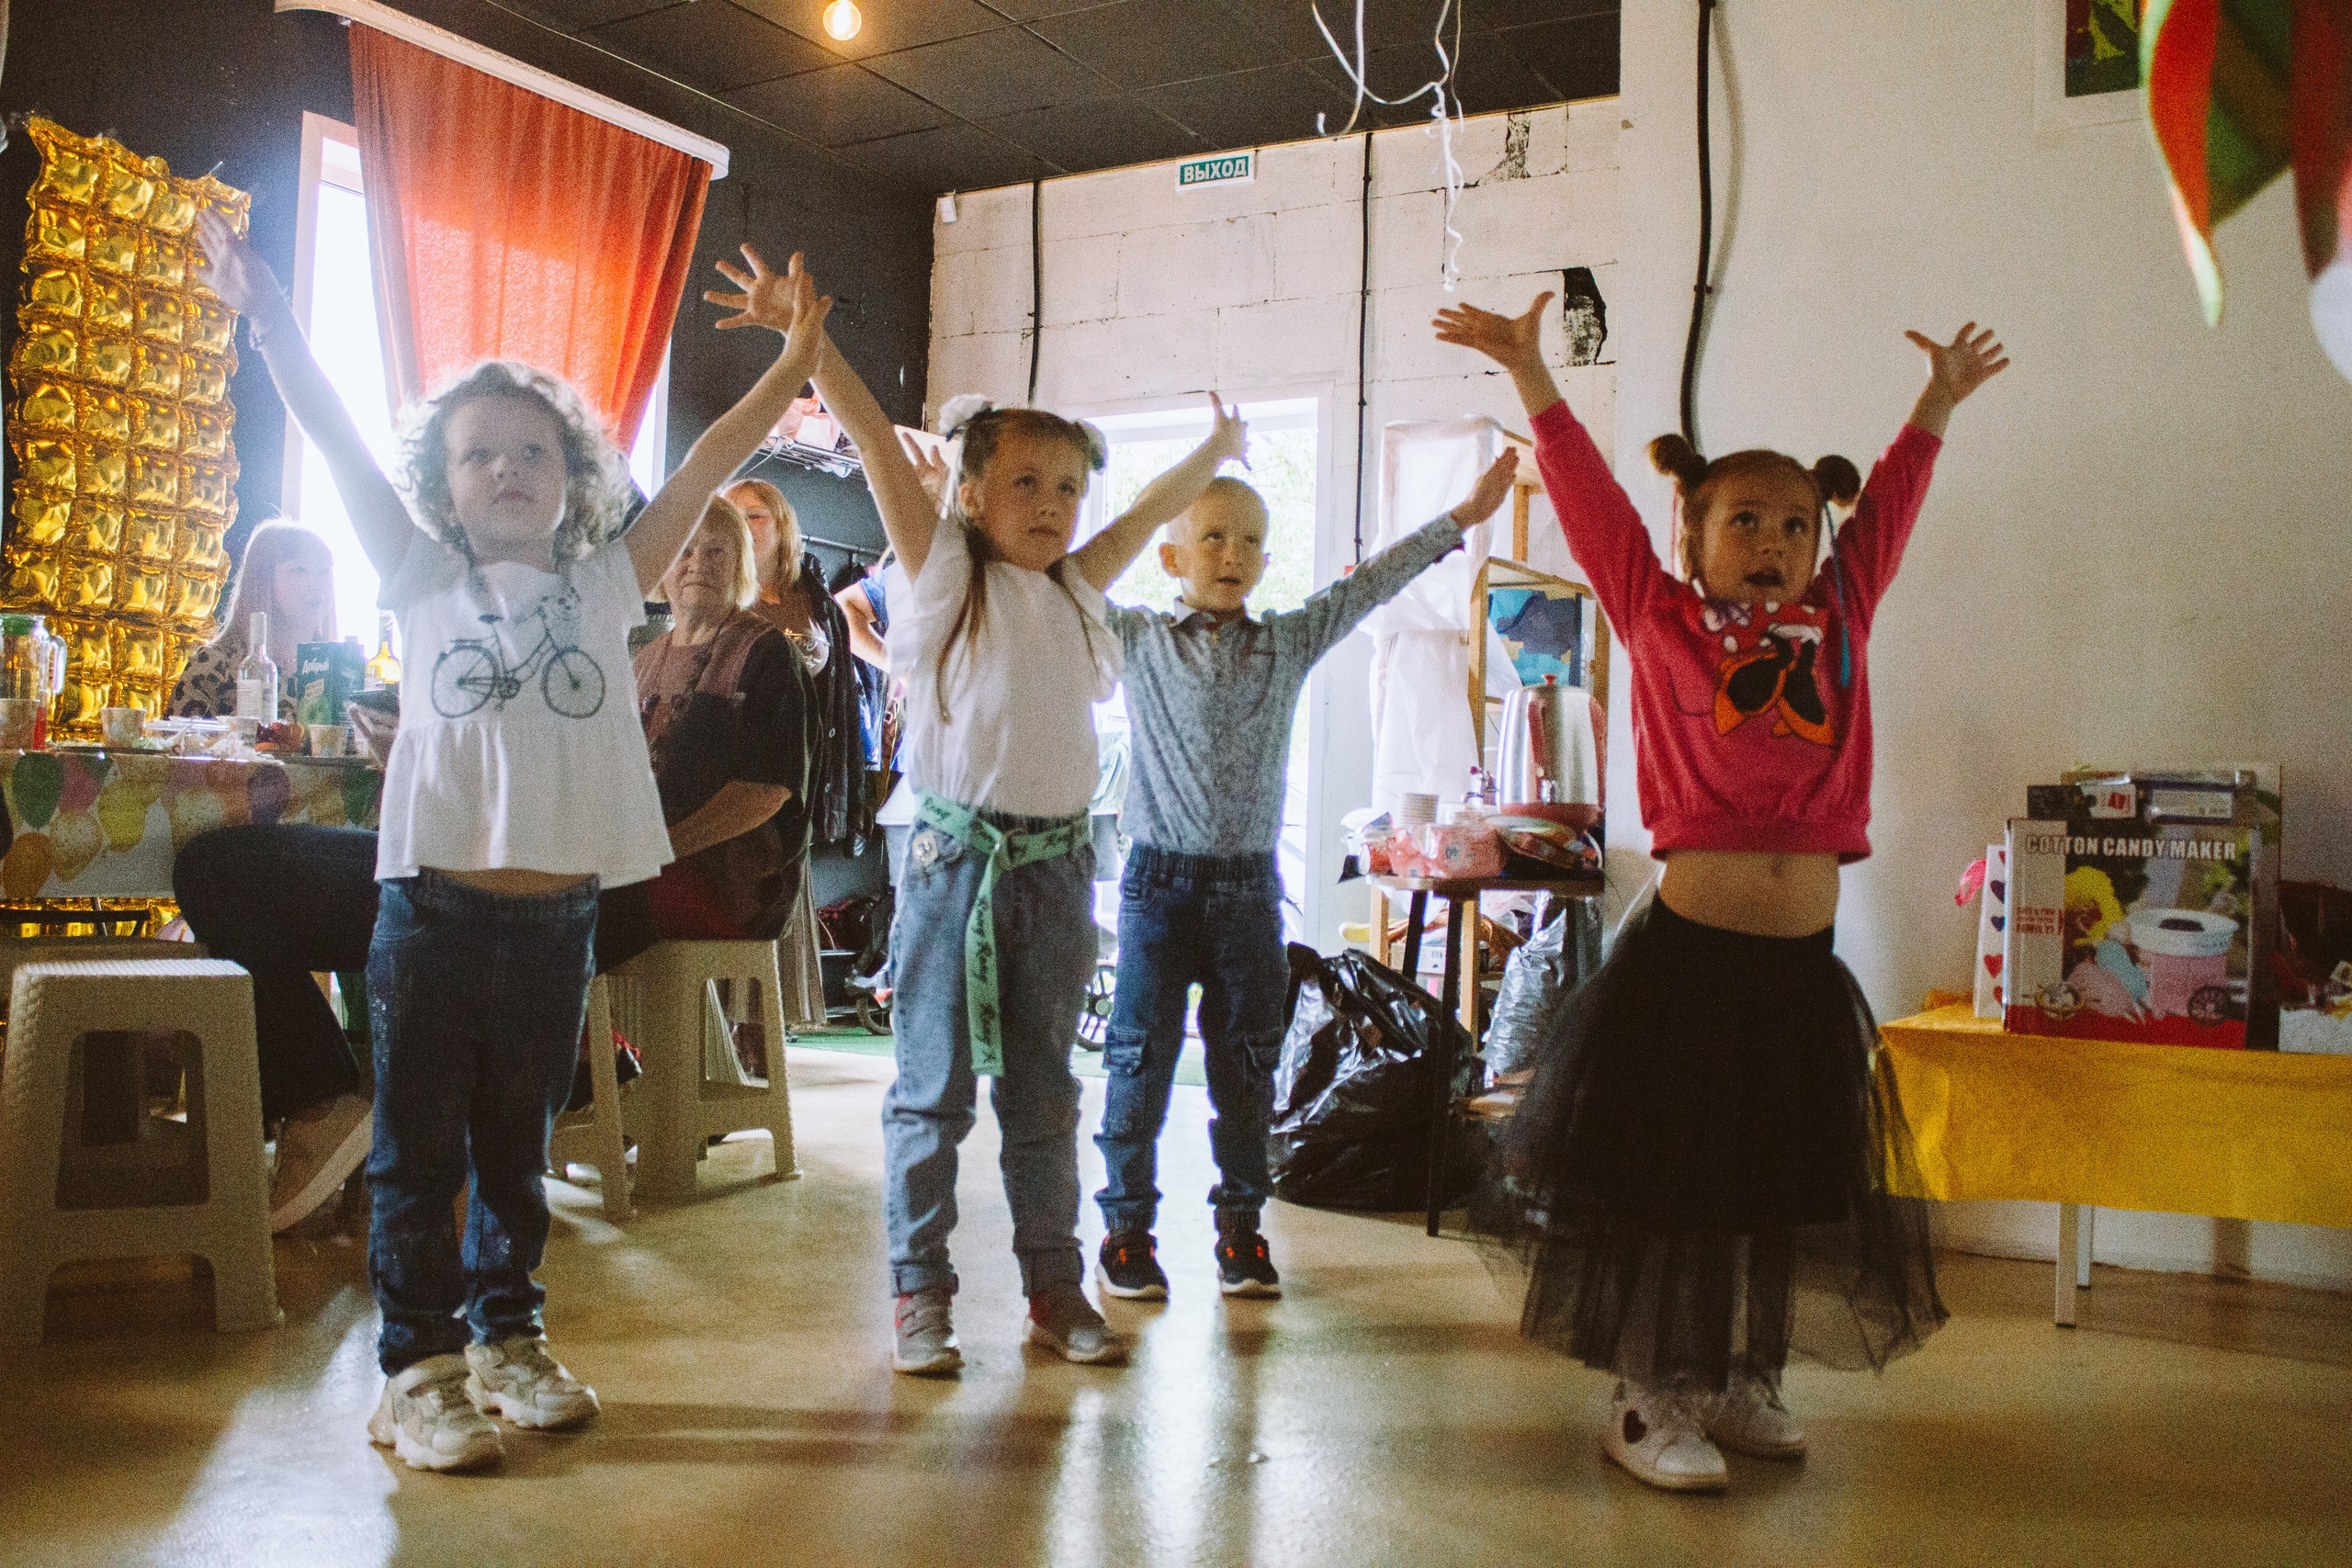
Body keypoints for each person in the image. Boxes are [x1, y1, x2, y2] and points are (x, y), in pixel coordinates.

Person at [194, 207, 831, 1473]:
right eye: (478, 454)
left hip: (557, 923)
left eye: (531, 450)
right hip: (430, 914)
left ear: (574, 476)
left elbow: (708, 462)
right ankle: (416, 1367)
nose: (505, 469)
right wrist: (268, 315)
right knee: (421, 1150)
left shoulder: (606, 585)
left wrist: (792, 362)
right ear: (442, 483)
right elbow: (326, 427)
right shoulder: (419, 575)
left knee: (518, 1153)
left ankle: (508, 1334)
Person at [1434, 291, 2006, 1493]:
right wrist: (1536, 375)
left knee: (1768, 1183)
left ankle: (1740, 1376)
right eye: (1744, 517)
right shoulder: (1662, 619)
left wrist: (1936, 403)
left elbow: (1889, 513)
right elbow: (1591, 507)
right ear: (1691, 530)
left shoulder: (1837, 615)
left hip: (1802, 969)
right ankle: (1649, 1397)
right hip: (1690, 963)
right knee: (1682, 1189)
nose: (1773, 539)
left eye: (1796, 522)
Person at [773, 282, 1239, 1371]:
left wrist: (1214, 447)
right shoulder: (945, 578)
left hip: (1055, 872)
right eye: (1024, 481)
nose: (1052, 502)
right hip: (951, 868)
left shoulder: (1079, 591)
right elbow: (878, 459)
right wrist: (817, 349)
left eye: (1067, 487)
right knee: (930, 1095)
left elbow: (1138, 515)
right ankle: (919, 1294)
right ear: (972, 494)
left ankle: (1052, 1289)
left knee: (1043, 1094)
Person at [1082, 456, 1521, 1302]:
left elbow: (1373, 585)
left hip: (1248, 895)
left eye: (1251, 540)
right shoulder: (1136, 637)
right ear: (1170, 556)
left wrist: (1460, 516)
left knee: (1246, 1070)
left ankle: (1241, 1229)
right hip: (1156, 892)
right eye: (1210, 536)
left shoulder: (1285, 640)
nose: (1231, 553)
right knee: (1137, 1061)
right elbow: (1058, 582)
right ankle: (1127, 1231)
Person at [728, 478, 864, 849]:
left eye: (754, 516)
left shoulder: (819, 603)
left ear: (782, 525)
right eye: (731, 516)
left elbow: (844, 709)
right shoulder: (720, 597)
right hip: (739, 775)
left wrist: (849, 801)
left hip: (808, 779)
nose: (742, 525)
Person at [166, 521, 335, 720]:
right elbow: (178, 744)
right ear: (262, 579)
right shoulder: (216, 664)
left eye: (325, 572)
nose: (318, 585)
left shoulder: (341, 670)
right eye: (300, 570)